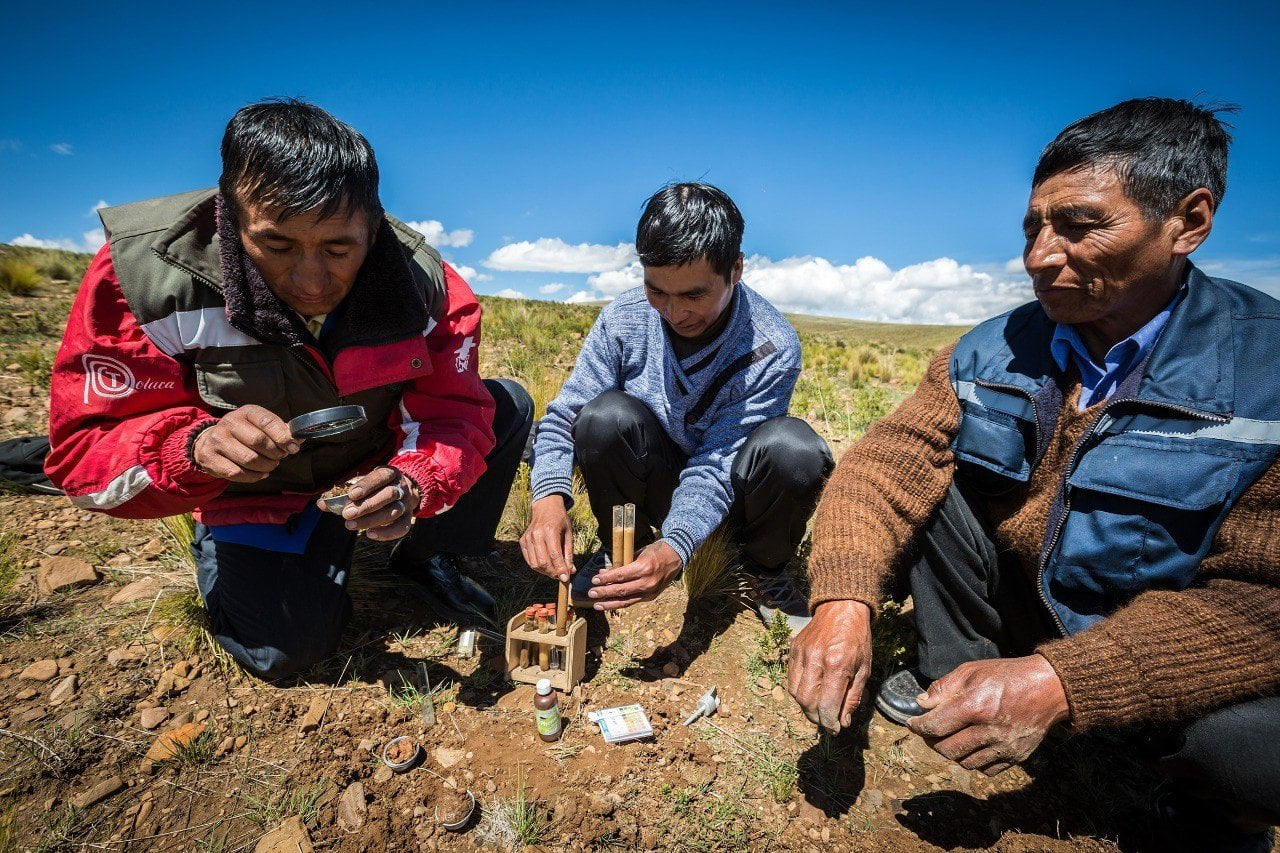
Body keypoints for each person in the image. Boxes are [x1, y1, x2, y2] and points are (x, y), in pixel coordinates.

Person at [787, 97, 1279, 850]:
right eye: (1034, 227)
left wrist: (1067, 680)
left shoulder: (1268, 373)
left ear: (1190, 222)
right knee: (929, 476)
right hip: (1029, 616)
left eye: (1079, 226)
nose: (1039, 255)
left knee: (1254, 753)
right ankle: (964, 685)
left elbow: (1263, 604)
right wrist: (845, 596)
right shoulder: (990, 349)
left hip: (1183, 676)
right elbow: (882, 461)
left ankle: (1198, 806)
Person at [45, 99, 532, 680]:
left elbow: (453, 410)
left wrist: (413, 480)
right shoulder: (144, 279)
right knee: (282, 653)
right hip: (253, 490)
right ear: (228, 215)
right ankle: (236, 543)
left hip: (370, 465)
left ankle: (427, 554)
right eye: (277, 246)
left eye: (338, 249)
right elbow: (85, 454)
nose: (311, 281)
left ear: (373, 226)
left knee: (502, 404)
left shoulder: (424, 281)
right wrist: (193, 451)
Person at [521, 182, 833, 632]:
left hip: (731, 500)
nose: (673, 312)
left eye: (693, 295)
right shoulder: (623, 318)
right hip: (658, 485)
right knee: (603, 417)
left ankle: (764, 570)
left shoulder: (771, 346)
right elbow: (564, 415)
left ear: (736, 269)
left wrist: (677, 547)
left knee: (794, 450)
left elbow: (717, 463)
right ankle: (622, 547)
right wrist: (547, 498)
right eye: (656, 291)